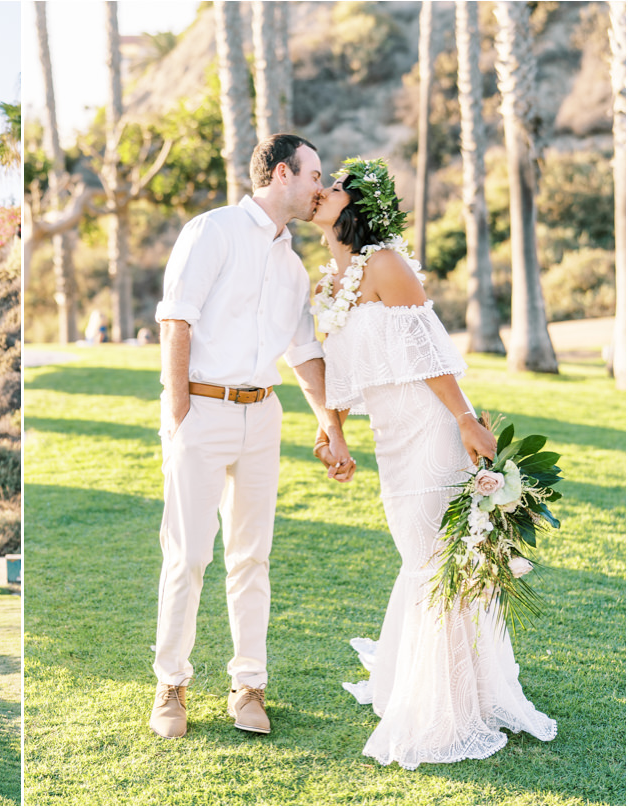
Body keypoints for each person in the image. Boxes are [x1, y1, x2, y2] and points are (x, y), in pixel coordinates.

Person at [309, 158, 556, 769]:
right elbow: (336, 373)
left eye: (333, 186)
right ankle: (437, 685)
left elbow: (429, 353)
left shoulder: (387, 265)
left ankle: (441, 709)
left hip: (430, 425)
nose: (320, 192)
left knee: (429, 560)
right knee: (419, 557)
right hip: (390, 439)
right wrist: (332, 431)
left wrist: (466, 420)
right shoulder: (328, 283)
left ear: (358, 204)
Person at [149, 133, 354, 741]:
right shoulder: (210, 230)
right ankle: (171, 685)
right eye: (316, 174)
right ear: (284, 173)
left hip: (264, 415)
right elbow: (176, 319)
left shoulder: (293, 265)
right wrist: (181, 410)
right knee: (187, 556)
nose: (321, 186)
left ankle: (248, 685)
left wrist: (331, 427)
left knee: (252, 558)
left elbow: (304, 353)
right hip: (202, 413)